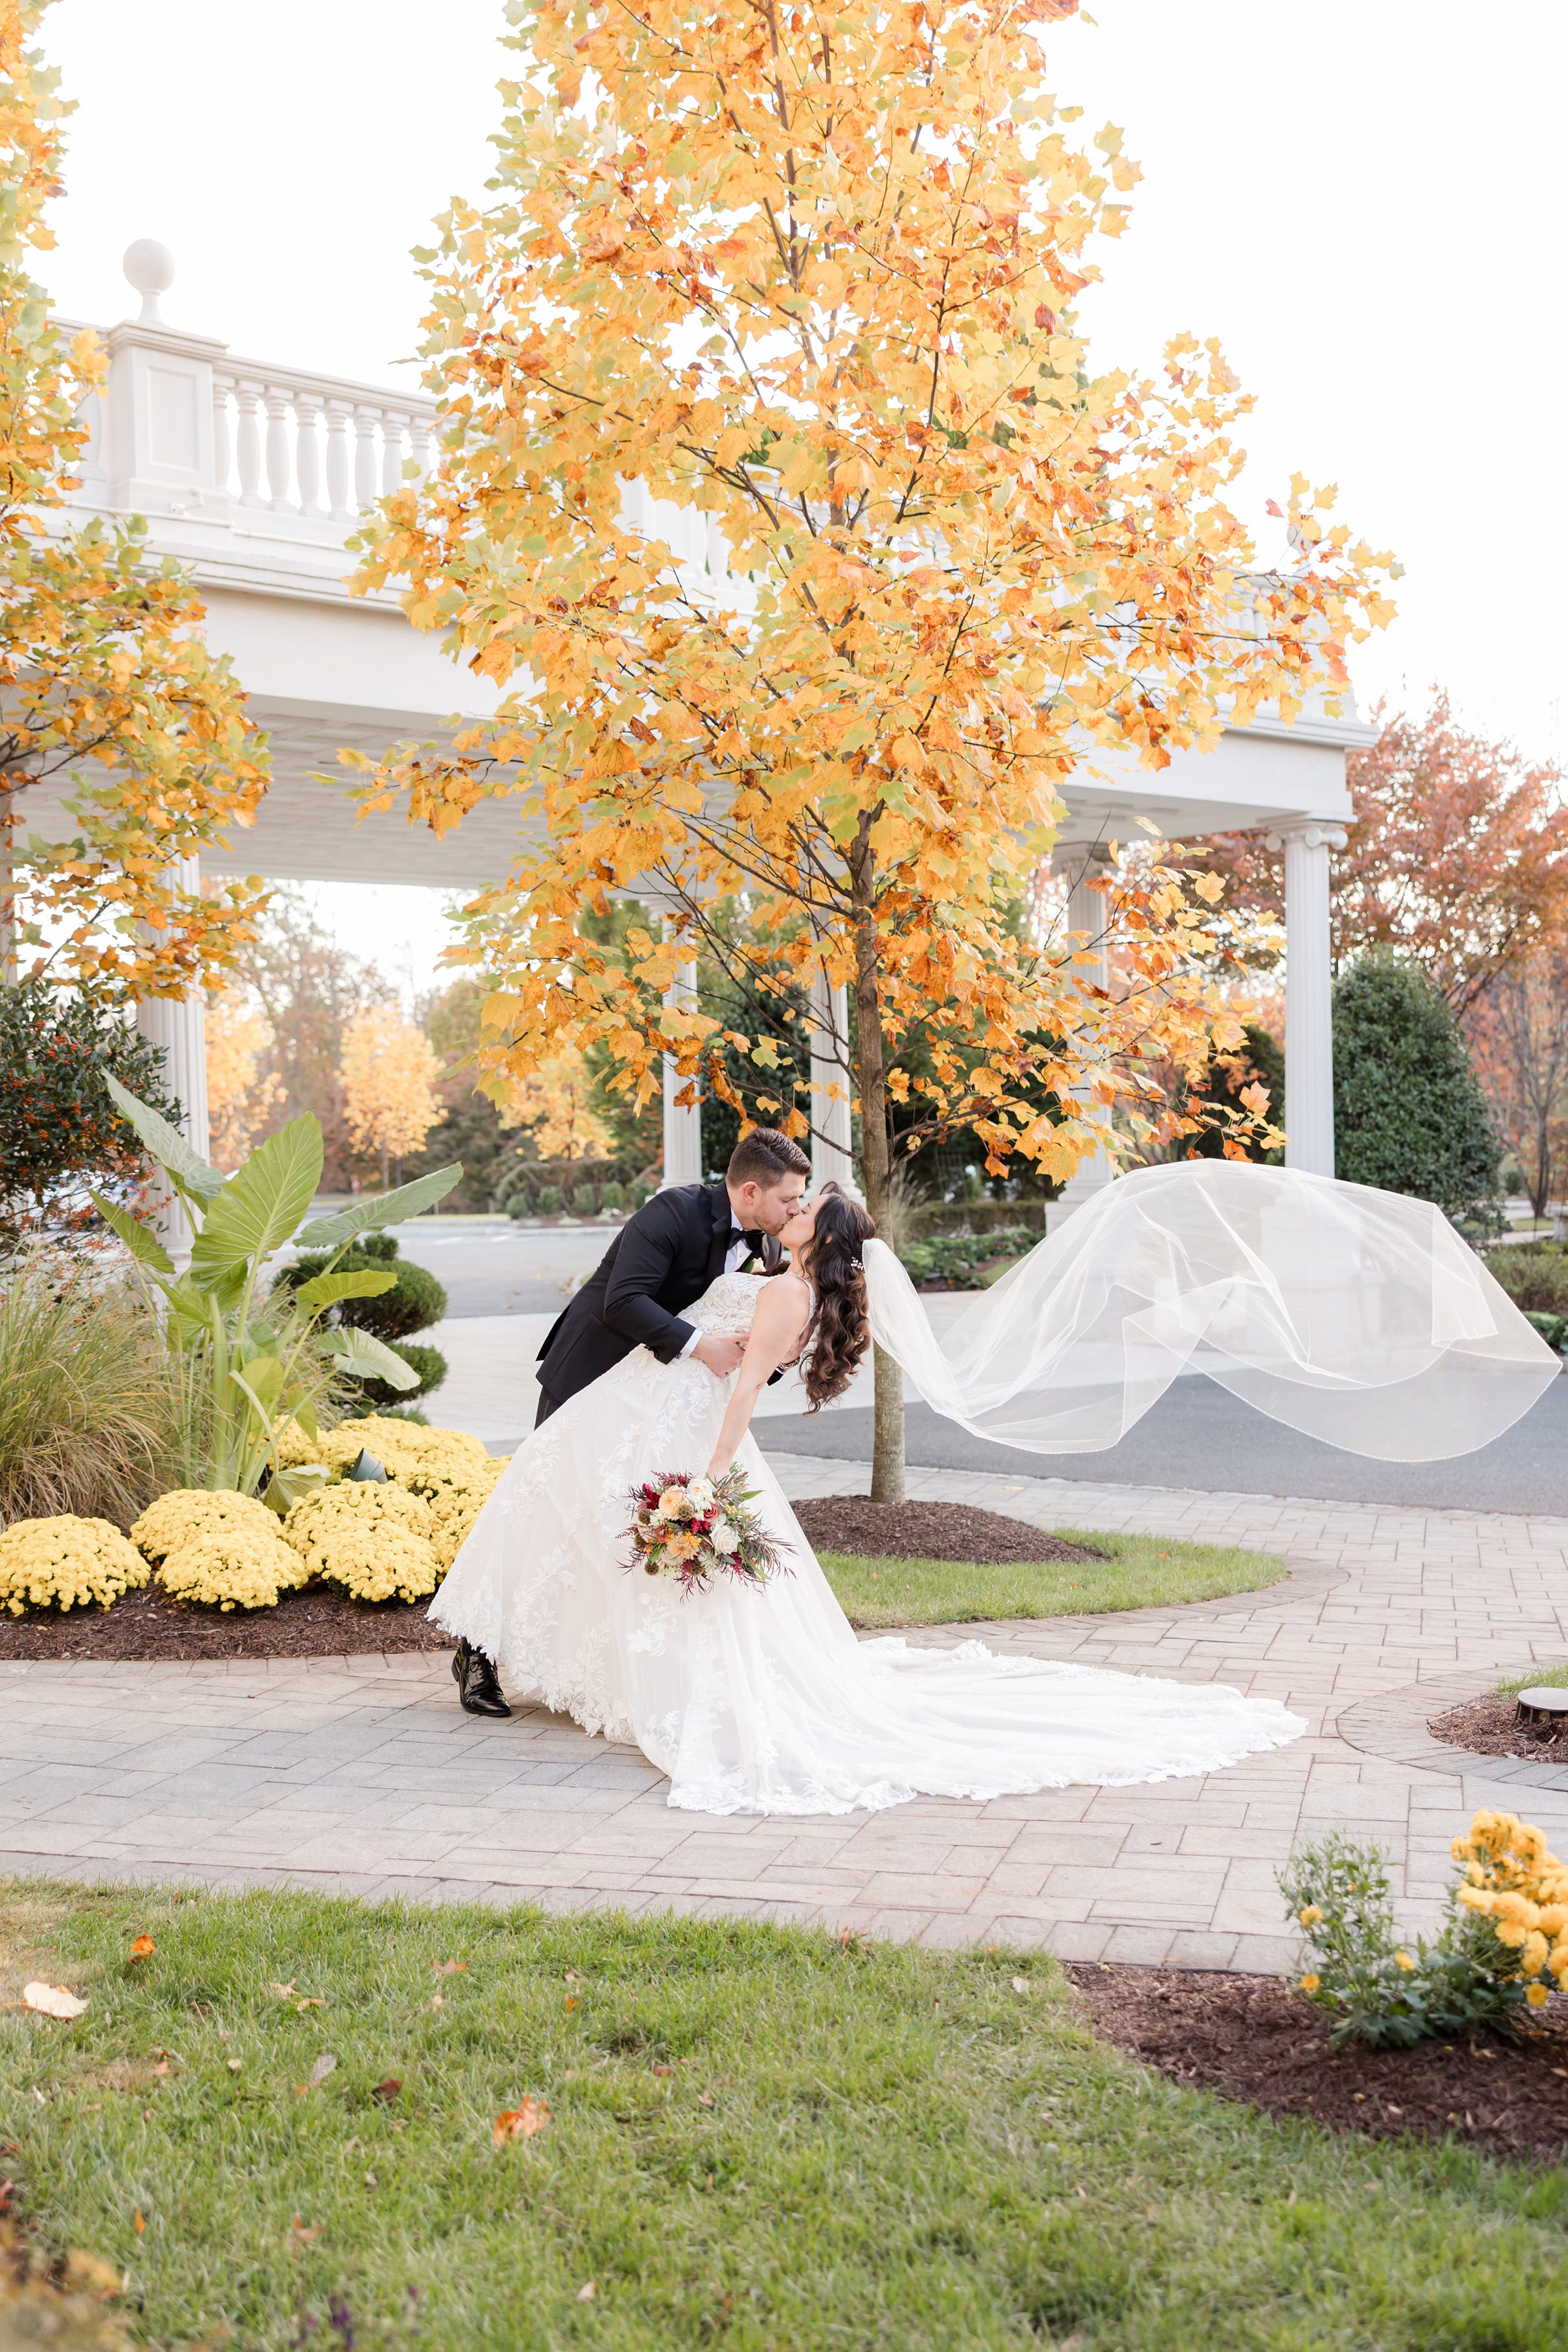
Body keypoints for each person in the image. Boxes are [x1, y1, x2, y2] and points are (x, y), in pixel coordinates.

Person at [431, 1178, 1312, 1810]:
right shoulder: (786, 1278)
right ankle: (543, 1661)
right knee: (556, 1514)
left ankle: (639, 1684)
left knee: (611, 1542)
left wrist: (711, 1474)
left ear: (821, 1237)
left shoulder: (788, 1291)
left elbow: (747, 1387)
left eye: (806, 1208)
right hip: (641, 1406)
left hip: (683, 1426)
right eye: (794, 1199)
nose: (794, 1210)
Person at [450, 1128, 811, 1716]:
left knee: (613, 1528)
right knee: (542, 1509)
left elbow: (749, 1339)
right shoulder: (673, 1211)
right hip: (590, 1376)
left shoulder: (770, 1245)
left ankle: (592, 1664)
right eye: (789, 1198)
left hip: (658, 1405)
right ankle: (477, 1652)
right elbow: (622, 1300)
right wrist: (701, 1345)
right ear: (751, 1191)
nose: (796, 1209)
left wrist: (775, 1355)